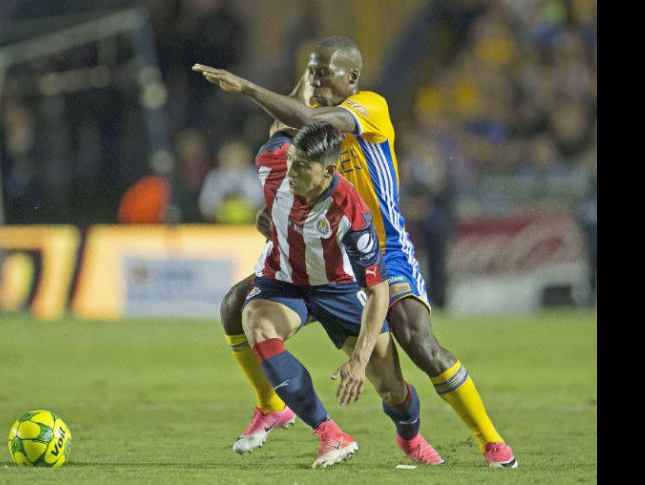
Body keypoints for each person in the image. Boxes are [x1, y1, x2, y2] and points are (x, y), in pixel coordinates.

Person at [194, 35, 517, 468]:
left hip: (383, 247)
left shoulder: (370, 107)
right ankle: (273, 406)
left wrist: (247, 87)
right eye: (311, 73)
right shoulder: (310, 136)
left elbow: (303, 115)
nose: (315, 81)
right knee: (238, 305)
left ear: (352, 77)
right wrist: (271, 212)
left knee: (416, 342)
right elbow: (285, 130)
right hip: (327, 254)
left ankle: (488, 440)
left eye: (323, 73)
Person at [241, 121, 441, 469]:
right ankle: (329, 433)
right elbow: (278, 122)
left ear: (329, 171)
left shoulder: (350, 210)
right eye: (292, 161)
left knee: (393, 389)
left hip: (340, 290)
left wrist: (359, 360)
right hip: (285, 283)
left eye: (303, 167)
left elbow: (377, 291)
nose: (292, 172)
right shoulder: (272, 164)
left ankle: (410, 438)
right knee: (256, 323)